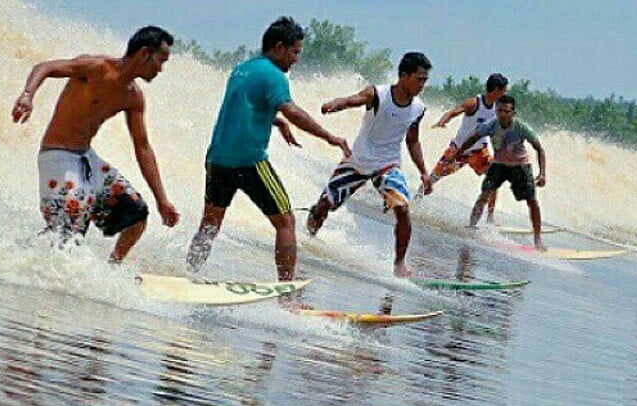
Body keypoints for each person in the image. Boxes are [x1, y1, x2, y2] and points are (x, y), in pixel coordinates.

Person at [186, 17, 350, 280]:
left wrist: (276, 121)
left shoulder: (242, 69)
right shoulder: (275, 77)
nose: (296, 59)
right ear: (278, 47)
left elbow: (246, 105)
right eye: (295, 51)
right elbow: (293, 110)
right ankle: (286, 294)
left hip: (217, 158)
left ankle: (189, 271)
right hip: (248, 161)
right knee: (286, 221)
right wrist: (330, 137)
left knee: (210, 225)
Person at [11, 26, 180, 263]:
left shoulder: (133, 96)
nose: (161, 69)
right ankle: (14, 257)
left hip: (86, 157)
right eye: (160, 60)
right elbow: (45, 67)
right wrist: (27, 95)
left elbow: (142, 147)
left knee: (137, 214)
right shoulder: (95, 68)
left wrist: (162, 200)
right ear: (144, 54)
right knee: (68, 225)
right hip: (57, 156)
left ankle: (112, 267)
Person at [305, 52, 434, 278]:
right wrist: (336, 104)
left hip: (388, 165)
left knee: (403, 209)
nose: (423, 84)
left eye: (425, 80)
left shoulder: (418, 109)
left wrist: (423, 172)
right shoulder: (378, 94)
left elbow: (412, 141)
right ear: (404, 76)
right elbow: (353, 99)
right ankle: (308, 239)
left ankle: (399, 265)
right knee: (325, 204)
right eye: (419, 79)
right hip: (358, 161)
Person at [449, 94, 547, 250]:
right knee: (484, 196)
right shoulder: (491, 125)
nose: (503, 114)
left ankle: (537, 239)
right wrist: (458, 153)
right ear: (496, 111)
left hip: (520, 166)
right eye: (500, 111)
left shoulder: (522, 128)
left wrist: (542, 174)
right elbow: (472, 138)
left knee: (532, 201)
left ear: (513, 113)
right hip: (498, 165)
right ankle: (471, 227)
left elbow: (539, 149)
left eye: (507, 112)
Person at [415, 73, 509, 222]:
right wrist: (442, 121)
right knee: (433, 178)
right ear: (496, 90)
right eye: (504, 90)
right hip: (458, 151)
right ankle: (415, 203)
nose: (506, 94)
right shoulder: (474, 103)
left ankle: (489, 219)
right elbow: (453, 112)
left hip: (479, 152)